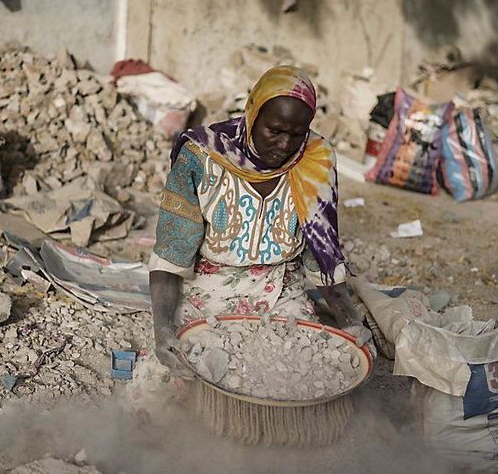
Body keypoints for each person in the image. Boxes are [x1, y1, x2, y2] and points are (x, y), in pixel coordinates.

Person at [148, 65, 368, 372]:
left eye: (297, 134)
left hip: (281, 295)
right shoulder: (202, 157)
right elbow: (171, 255)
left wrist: (350, 320)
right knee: (177, 377)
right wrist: (163, 330)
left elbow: (321, 255)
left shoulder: (315, 160)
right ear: (252, 114)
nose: (285, 145)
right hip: (207, 294)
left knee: (305, 373)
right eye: (275, 131)